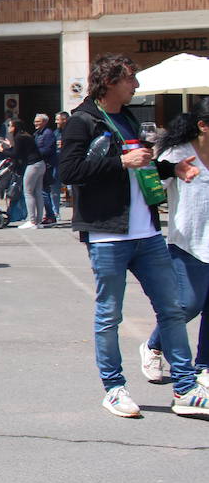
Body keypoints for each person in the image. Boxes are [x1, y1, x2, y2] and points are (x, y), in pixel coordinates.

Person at [60, 53, 208, 418]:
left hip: (147, 232)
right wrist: (119, 162)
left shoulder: (127, 117)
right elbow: (69, 171)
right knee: (109, 315)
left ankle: (186, 389)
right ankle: (114, 388)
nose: (136, 86)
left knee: (172, 310)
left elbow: (140, 165)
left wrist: (171, 166)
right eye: (130, 80)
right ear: (109, 81)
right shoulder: (82, 121)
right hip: (108, 234)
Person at [138, 98, 209, 387]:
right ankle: (154, 346)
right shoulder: (177, 152)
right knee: (188, 304)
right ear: (203, 125)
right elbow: (152, 188)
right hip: (188, 241)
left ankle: (203, 366)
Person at [3, 118, 44, 229]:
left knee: (28, 192)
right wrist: (10, 146)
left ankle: (32, 221)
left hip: (33, 165)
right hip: (40, 164)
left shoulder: (19, 137)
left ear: (15, 127)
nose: (8, 128)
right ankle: (38, 221)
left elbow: (16, 154)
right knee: (38, 192)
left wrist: (2, 150)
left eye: (10, 125)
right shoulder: (26, 135)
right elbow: (20, 151)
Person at [34, 113, 59, 224]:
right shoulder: (37, 133)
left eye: (38, 121)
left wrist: (33, 154)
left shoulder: (48, 134)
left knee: (44, 191)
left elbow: (47, 150)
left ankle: (50, 215)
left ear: (44, 122)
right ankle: (49, 215)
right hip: (41, 164)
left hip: (46, 166)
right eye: (35, 121)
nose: (35, 123)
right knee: (43, 191)